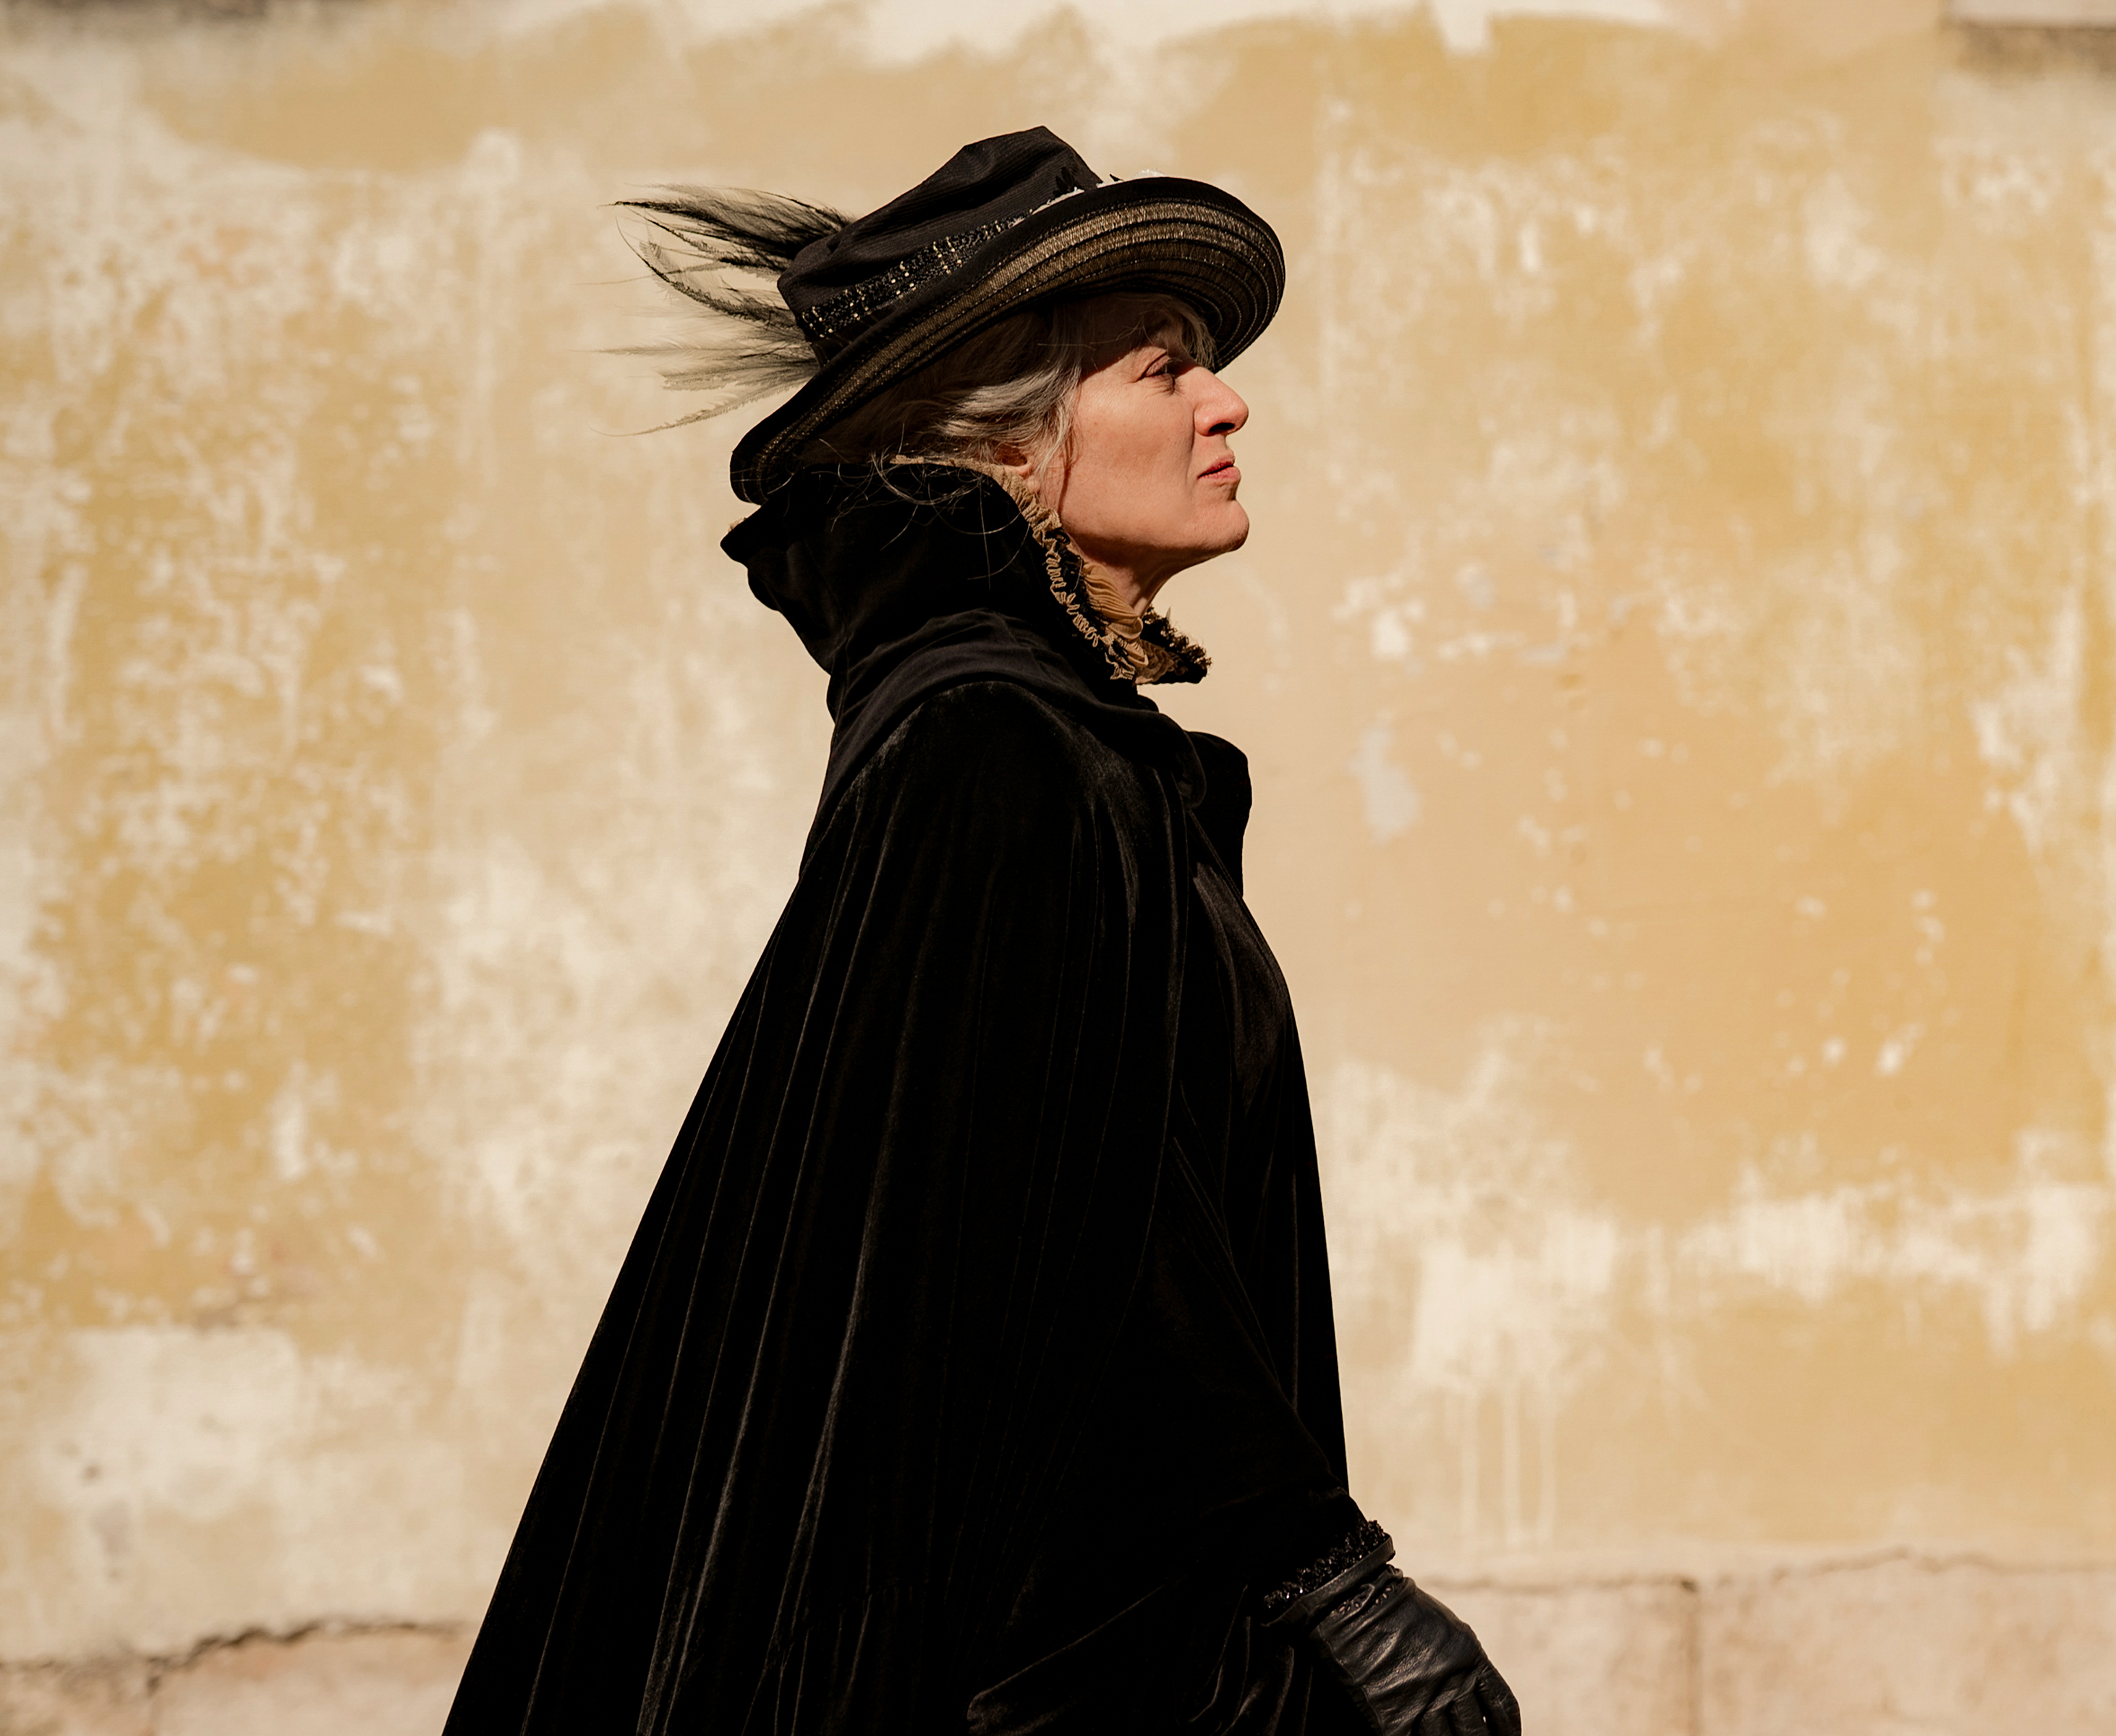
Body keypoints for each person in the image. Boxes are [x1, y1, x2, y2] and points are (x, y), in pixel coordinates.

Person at [442, 128, 1523, 1736]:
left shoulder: (1040, 742)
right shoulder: (992, 750)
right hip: (1052, 1666)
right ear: (1009, 439)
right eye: (1164, 369)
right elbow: (1110, 1227)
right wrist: (1333, 1584)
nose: (1228, 405)